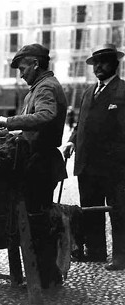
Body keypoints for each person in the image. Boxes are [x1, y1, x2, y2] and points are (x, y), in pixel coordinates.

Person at [0, 43, 68, 289]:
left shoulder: (45, 87)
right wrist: (16, 134)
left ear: (36, 64)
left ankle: (46, 280)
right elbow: (34, 126)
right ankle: (45, 277)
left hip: (41, 163)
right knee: (36, 221)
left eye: (23, 67)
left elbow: (46, 116)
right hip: (36, 160)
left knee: (38, 224)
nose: (21, 73)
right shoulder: (37, 88)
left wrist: (10, 121)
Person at [63, 43, 125, 271]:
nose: (99, 66)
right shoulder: (88, 92)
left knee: (119, 210)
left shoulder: (122, 91)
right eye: (95, 63)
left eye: (104, 61)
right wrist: (71, 141)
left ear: (115, 64)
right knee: (90, 208)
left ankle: (121, 256)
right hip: (87, 164)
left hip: (114, 166)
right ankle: (96, 251)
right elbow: (81, 124)